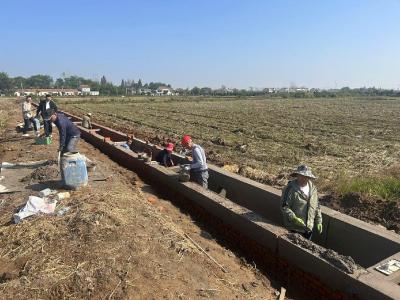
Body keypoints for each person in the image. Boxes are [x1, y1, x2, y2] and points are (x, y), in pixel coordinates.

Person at [281, 165, 323, 240]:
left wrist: (319, 221)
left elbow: (317, 206)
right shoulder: (290, 189)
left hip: (308, 229)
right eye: (301, 176)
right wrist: (294, 218)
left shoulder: (313, 189)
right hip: (294, 229)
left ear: (309, 177)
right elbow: (284, 207)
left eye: (306, 176)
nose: (303, 178)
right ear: (297, 175)